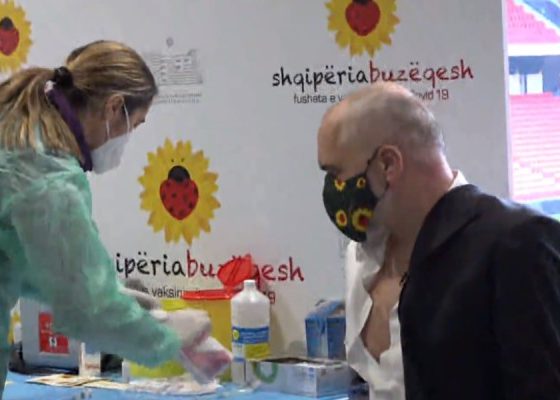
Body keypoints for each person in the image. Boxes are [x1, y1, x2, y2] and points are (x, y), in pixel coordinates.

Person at [0, 40, 220, 396]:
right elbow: (84, 309)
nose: (128, 138)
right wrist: (166, 336)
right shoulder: (49, 176)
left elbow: (24, 260)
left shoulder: (17, 132)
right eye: (135, 125)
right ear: (114, 107)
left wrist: (113, 294)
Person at [317, 82, 560, 399]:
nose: (331, 189)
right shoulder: (361, 255)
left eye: (336, 174)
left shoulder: (518, 244)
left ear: (388, 164)